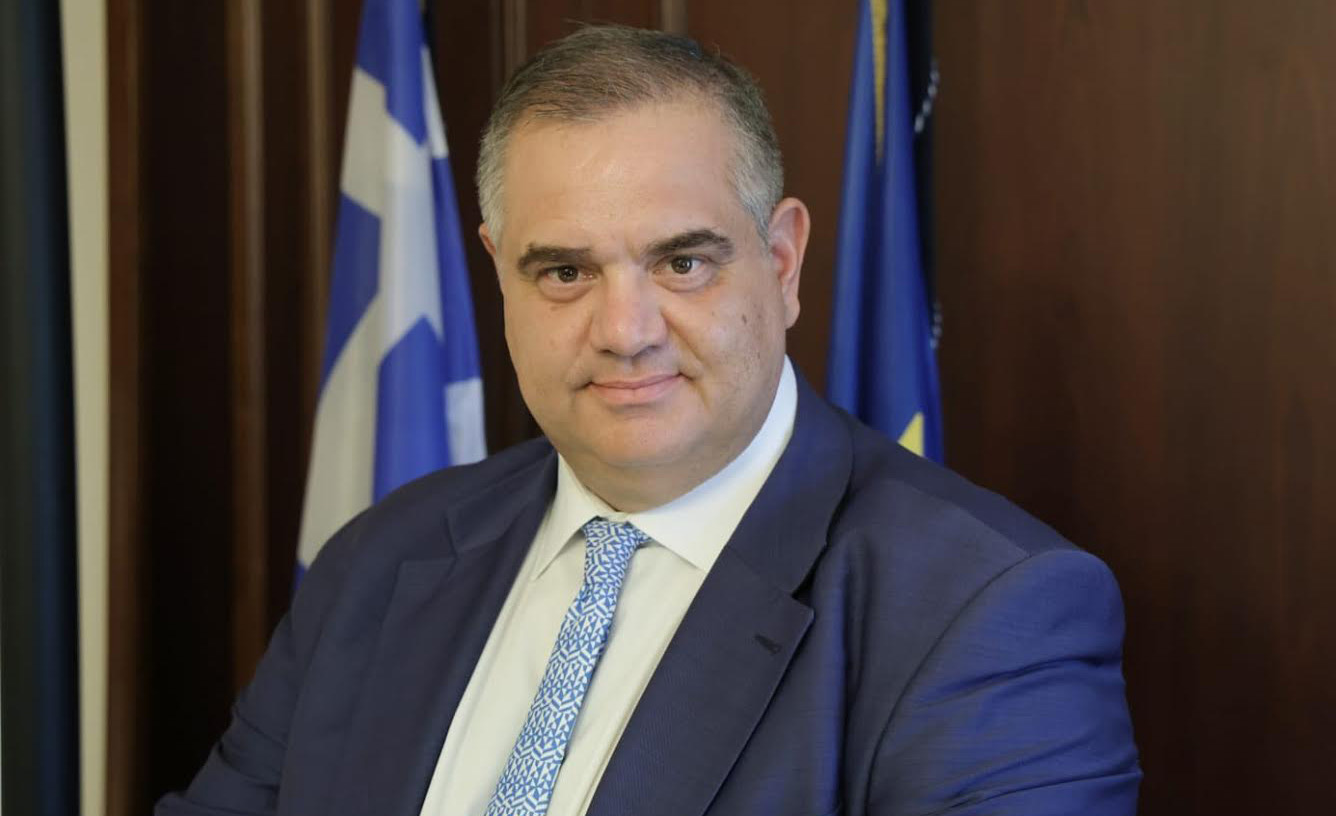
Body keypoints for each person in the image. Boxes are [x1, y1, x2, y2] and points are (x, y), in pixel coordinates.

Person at [158, 25, 1140, 816]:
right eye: (564, 271)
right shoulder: (381, 560)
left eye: (682, 262)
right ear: (498, 271)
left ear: (783, 263)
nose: (625, 332)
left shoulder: (987, 615)